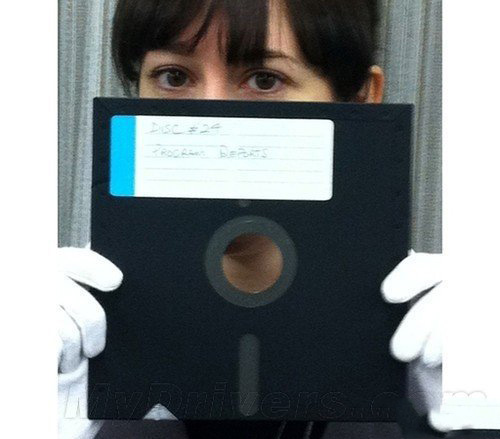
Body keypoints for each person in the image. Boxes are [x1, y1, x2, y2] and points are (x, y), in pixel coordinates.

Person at [58, 0, 445, 438]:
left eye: (264, 80)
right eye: (174, 77)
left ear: (359, 101)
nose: (212, 119)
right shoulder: (77, 325)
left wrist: (475, 419)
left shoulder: (425, 330)